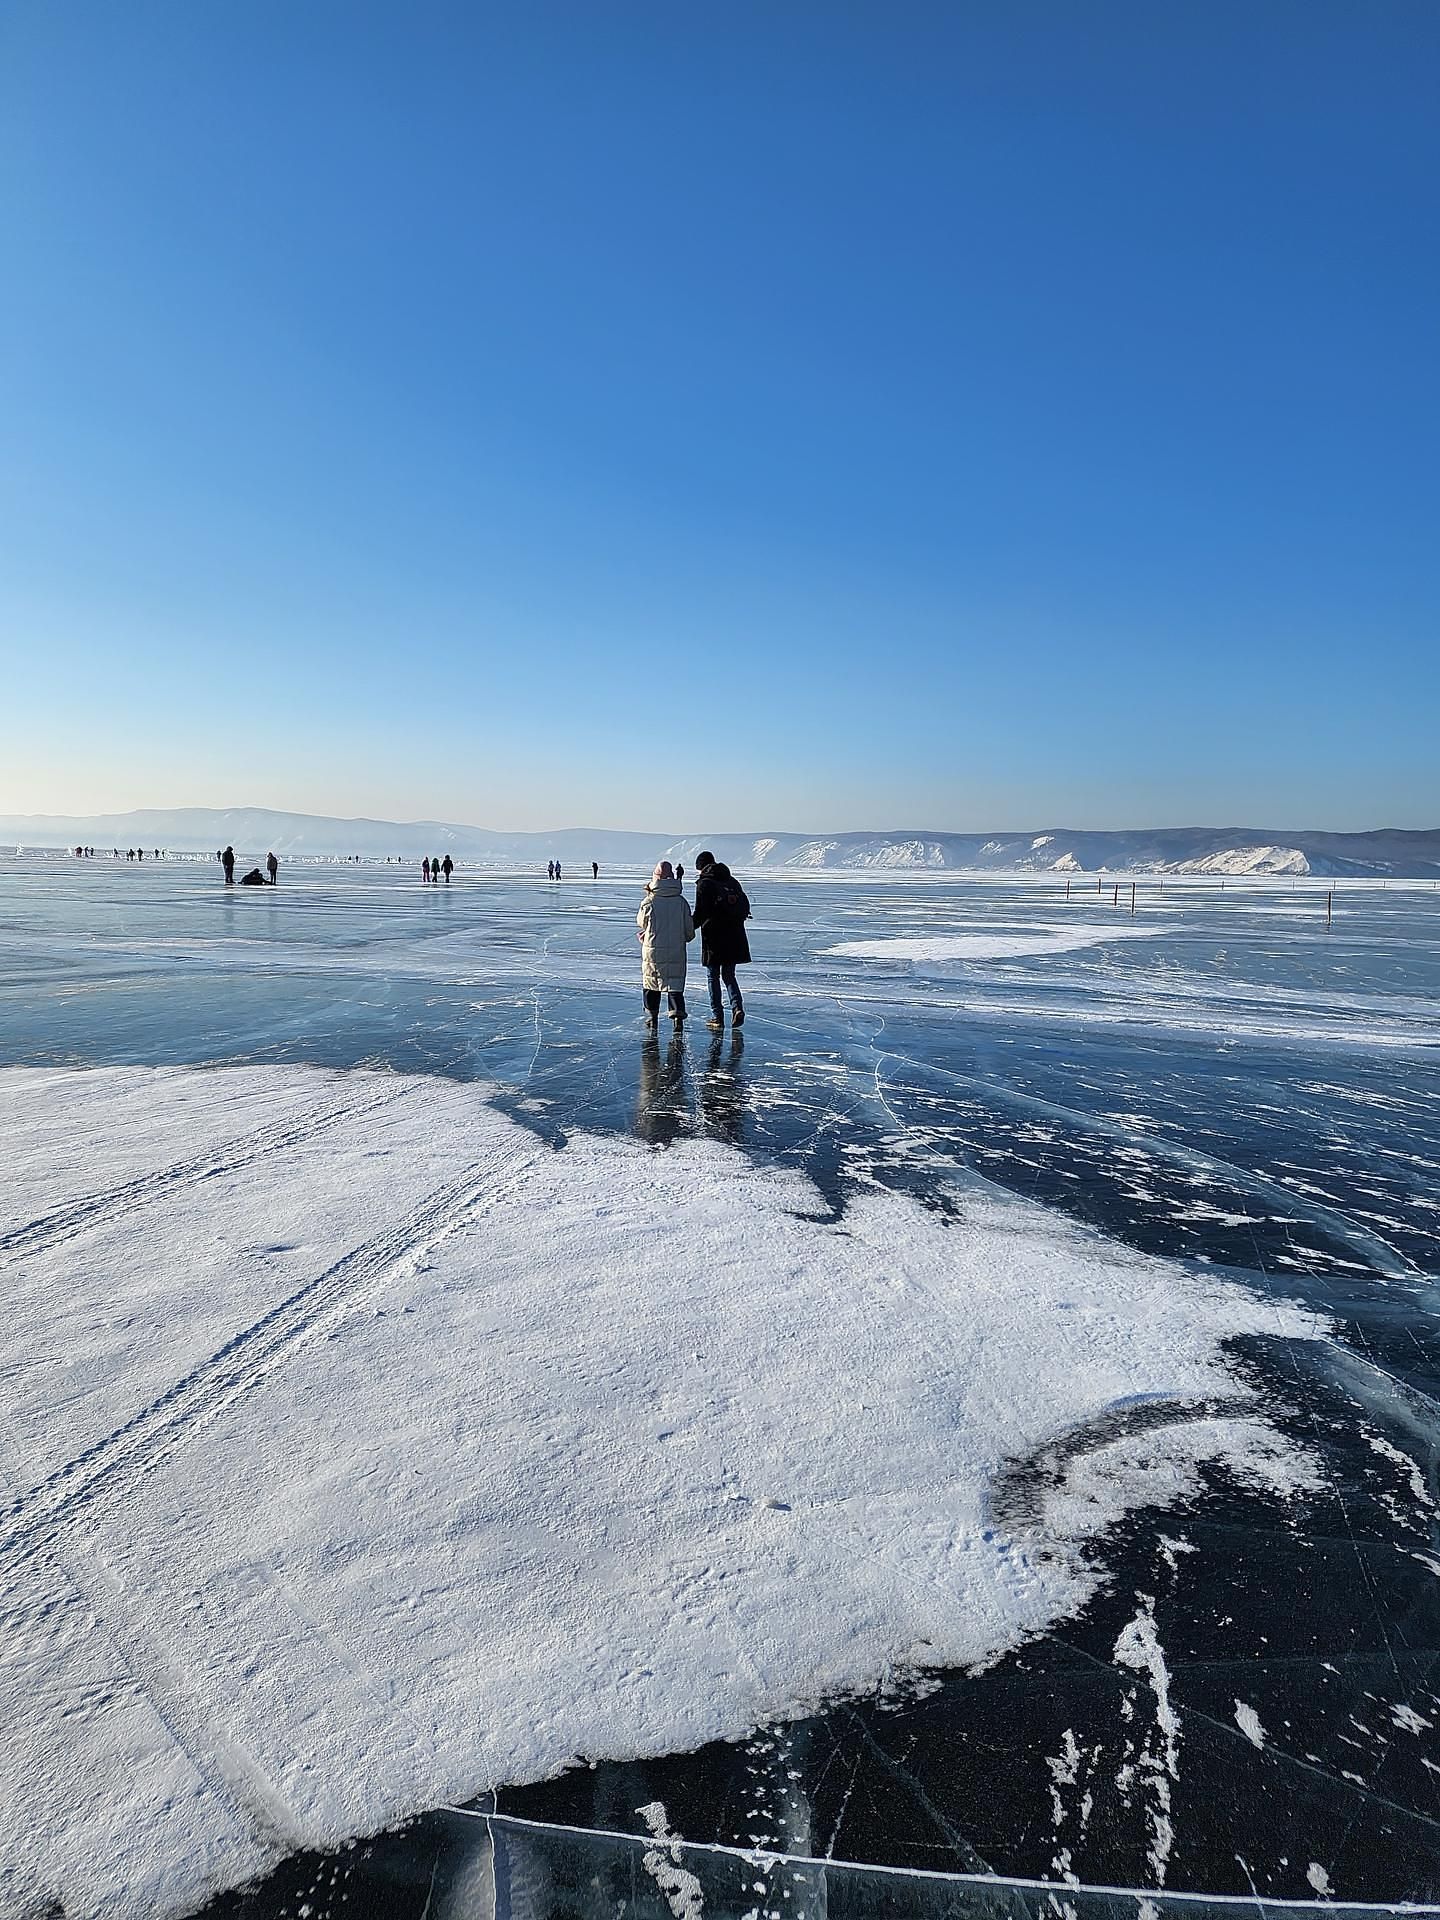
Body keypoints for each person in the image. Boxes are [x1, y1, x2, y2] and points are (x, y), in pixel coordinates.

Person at [692, 850, 751, 1030]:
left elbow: (701, 913)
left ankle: (717, 1016)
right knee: (729, 975)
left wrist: (686, 928)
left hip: (714, 936)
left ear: (700, 867)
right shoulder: (731, 881)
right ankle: (737, 1007)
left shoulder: (705, 884)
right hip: (735, 936)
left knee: (713, 976)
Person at [637, 860, 695, 1032]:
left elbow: (641, 923)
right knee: (675, 983)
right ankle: (677, 1013)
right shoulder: (681, 902)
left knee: (651, 983)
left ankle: (652, 1016)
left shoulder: (649, 902)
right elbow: (689, 931)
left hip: (653, 950)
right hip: (676, 951)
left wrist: (646, 936)